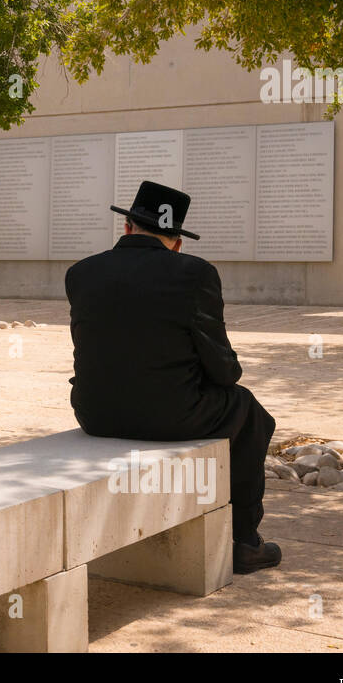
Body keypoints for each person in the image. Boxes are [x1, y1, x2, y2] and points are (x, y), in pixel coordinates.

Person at [65, 180, 282, 574]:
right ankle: (245, 541)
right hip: (172, 415)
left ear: (127, 227)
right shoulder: (195, 273)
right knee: (248, 411)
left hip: (94, 413)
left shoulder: (81, 272)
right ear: (177, 241)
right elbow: (224, 368)